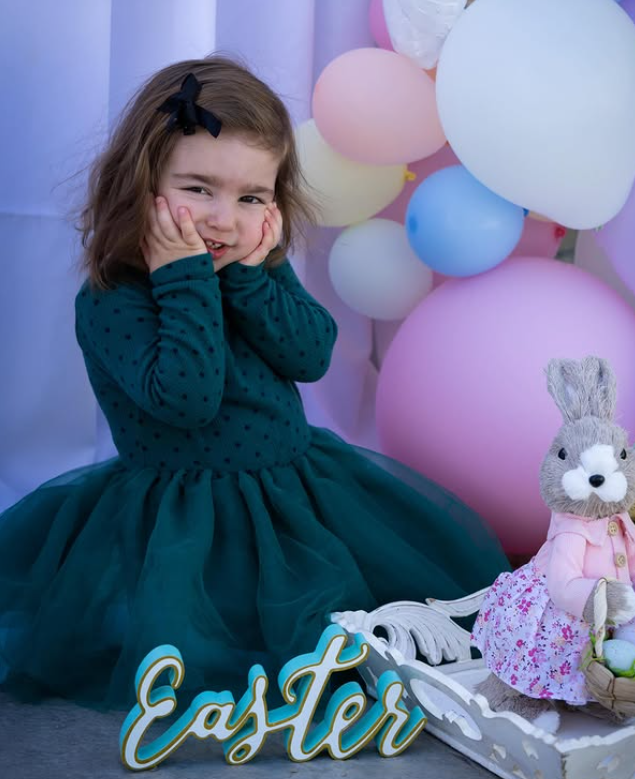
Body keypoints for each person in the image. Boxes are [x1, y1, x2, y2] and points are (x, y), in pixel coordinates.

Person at [0, 56, 508, 710]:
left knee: (361, 618)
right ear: (142, 181)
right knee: (225, 647)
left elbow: (310, 353)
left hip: (297, 497)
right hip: (186, 521)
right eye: (198, 189)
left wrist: (249, 278)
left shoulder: (252, 267)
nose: (223, 219)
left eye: (250, 198)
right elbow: (187, 399)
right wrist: (182, 279)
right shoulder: (112, 300)